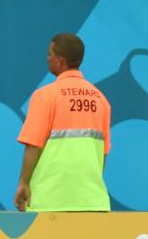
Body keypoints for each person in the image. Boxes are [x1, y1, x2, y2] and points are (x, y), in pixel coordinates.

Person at [15, 33, 112, 212]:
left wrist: (23, 182)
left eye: (49, 54)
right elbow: (103, 153)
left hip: (51, 200)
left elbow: (33, 145)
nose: (47, 58)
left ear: (60, 60)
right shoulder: (101, 99)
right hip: (93, 200)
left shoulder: (45, 96)